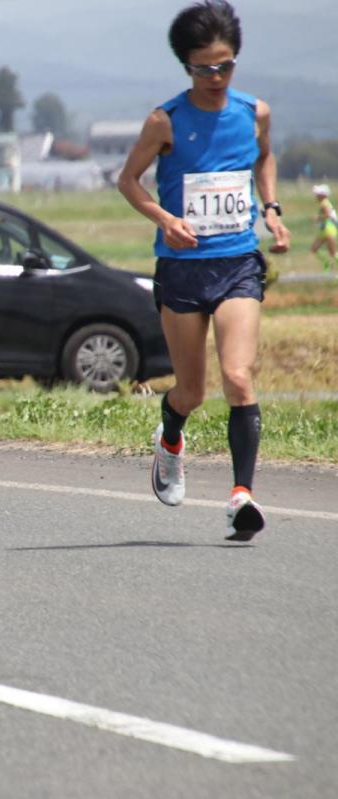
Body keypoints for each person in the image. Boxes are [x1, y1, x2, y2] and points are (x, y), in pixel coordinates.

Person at [117, 0, 290, 541]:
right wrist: (165, 218)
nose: (216, 77)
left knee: (239, 377)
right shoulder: (163, 120)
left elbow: (264, 157)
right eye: (203, 68)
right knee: (190, 392)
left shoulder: (253, 111)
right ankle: (170, 437)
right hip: (183, 270)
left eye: (225, 65)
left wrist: (272, 209)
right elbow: (128, 181)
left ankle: (242, 496)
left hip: (238, 261)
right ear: (186, 67)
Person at [309, 184, 337, 272]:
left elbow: (328, 215)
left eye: (318, 194)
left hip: (329, 228)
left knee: (333, 252)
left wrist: (317, 218)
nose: (316, 196)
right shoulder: (324, 203)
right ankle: (326, 262)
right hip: (325, 230)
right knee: (314, 248)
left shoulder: (324, 203)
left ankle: (327, 263)